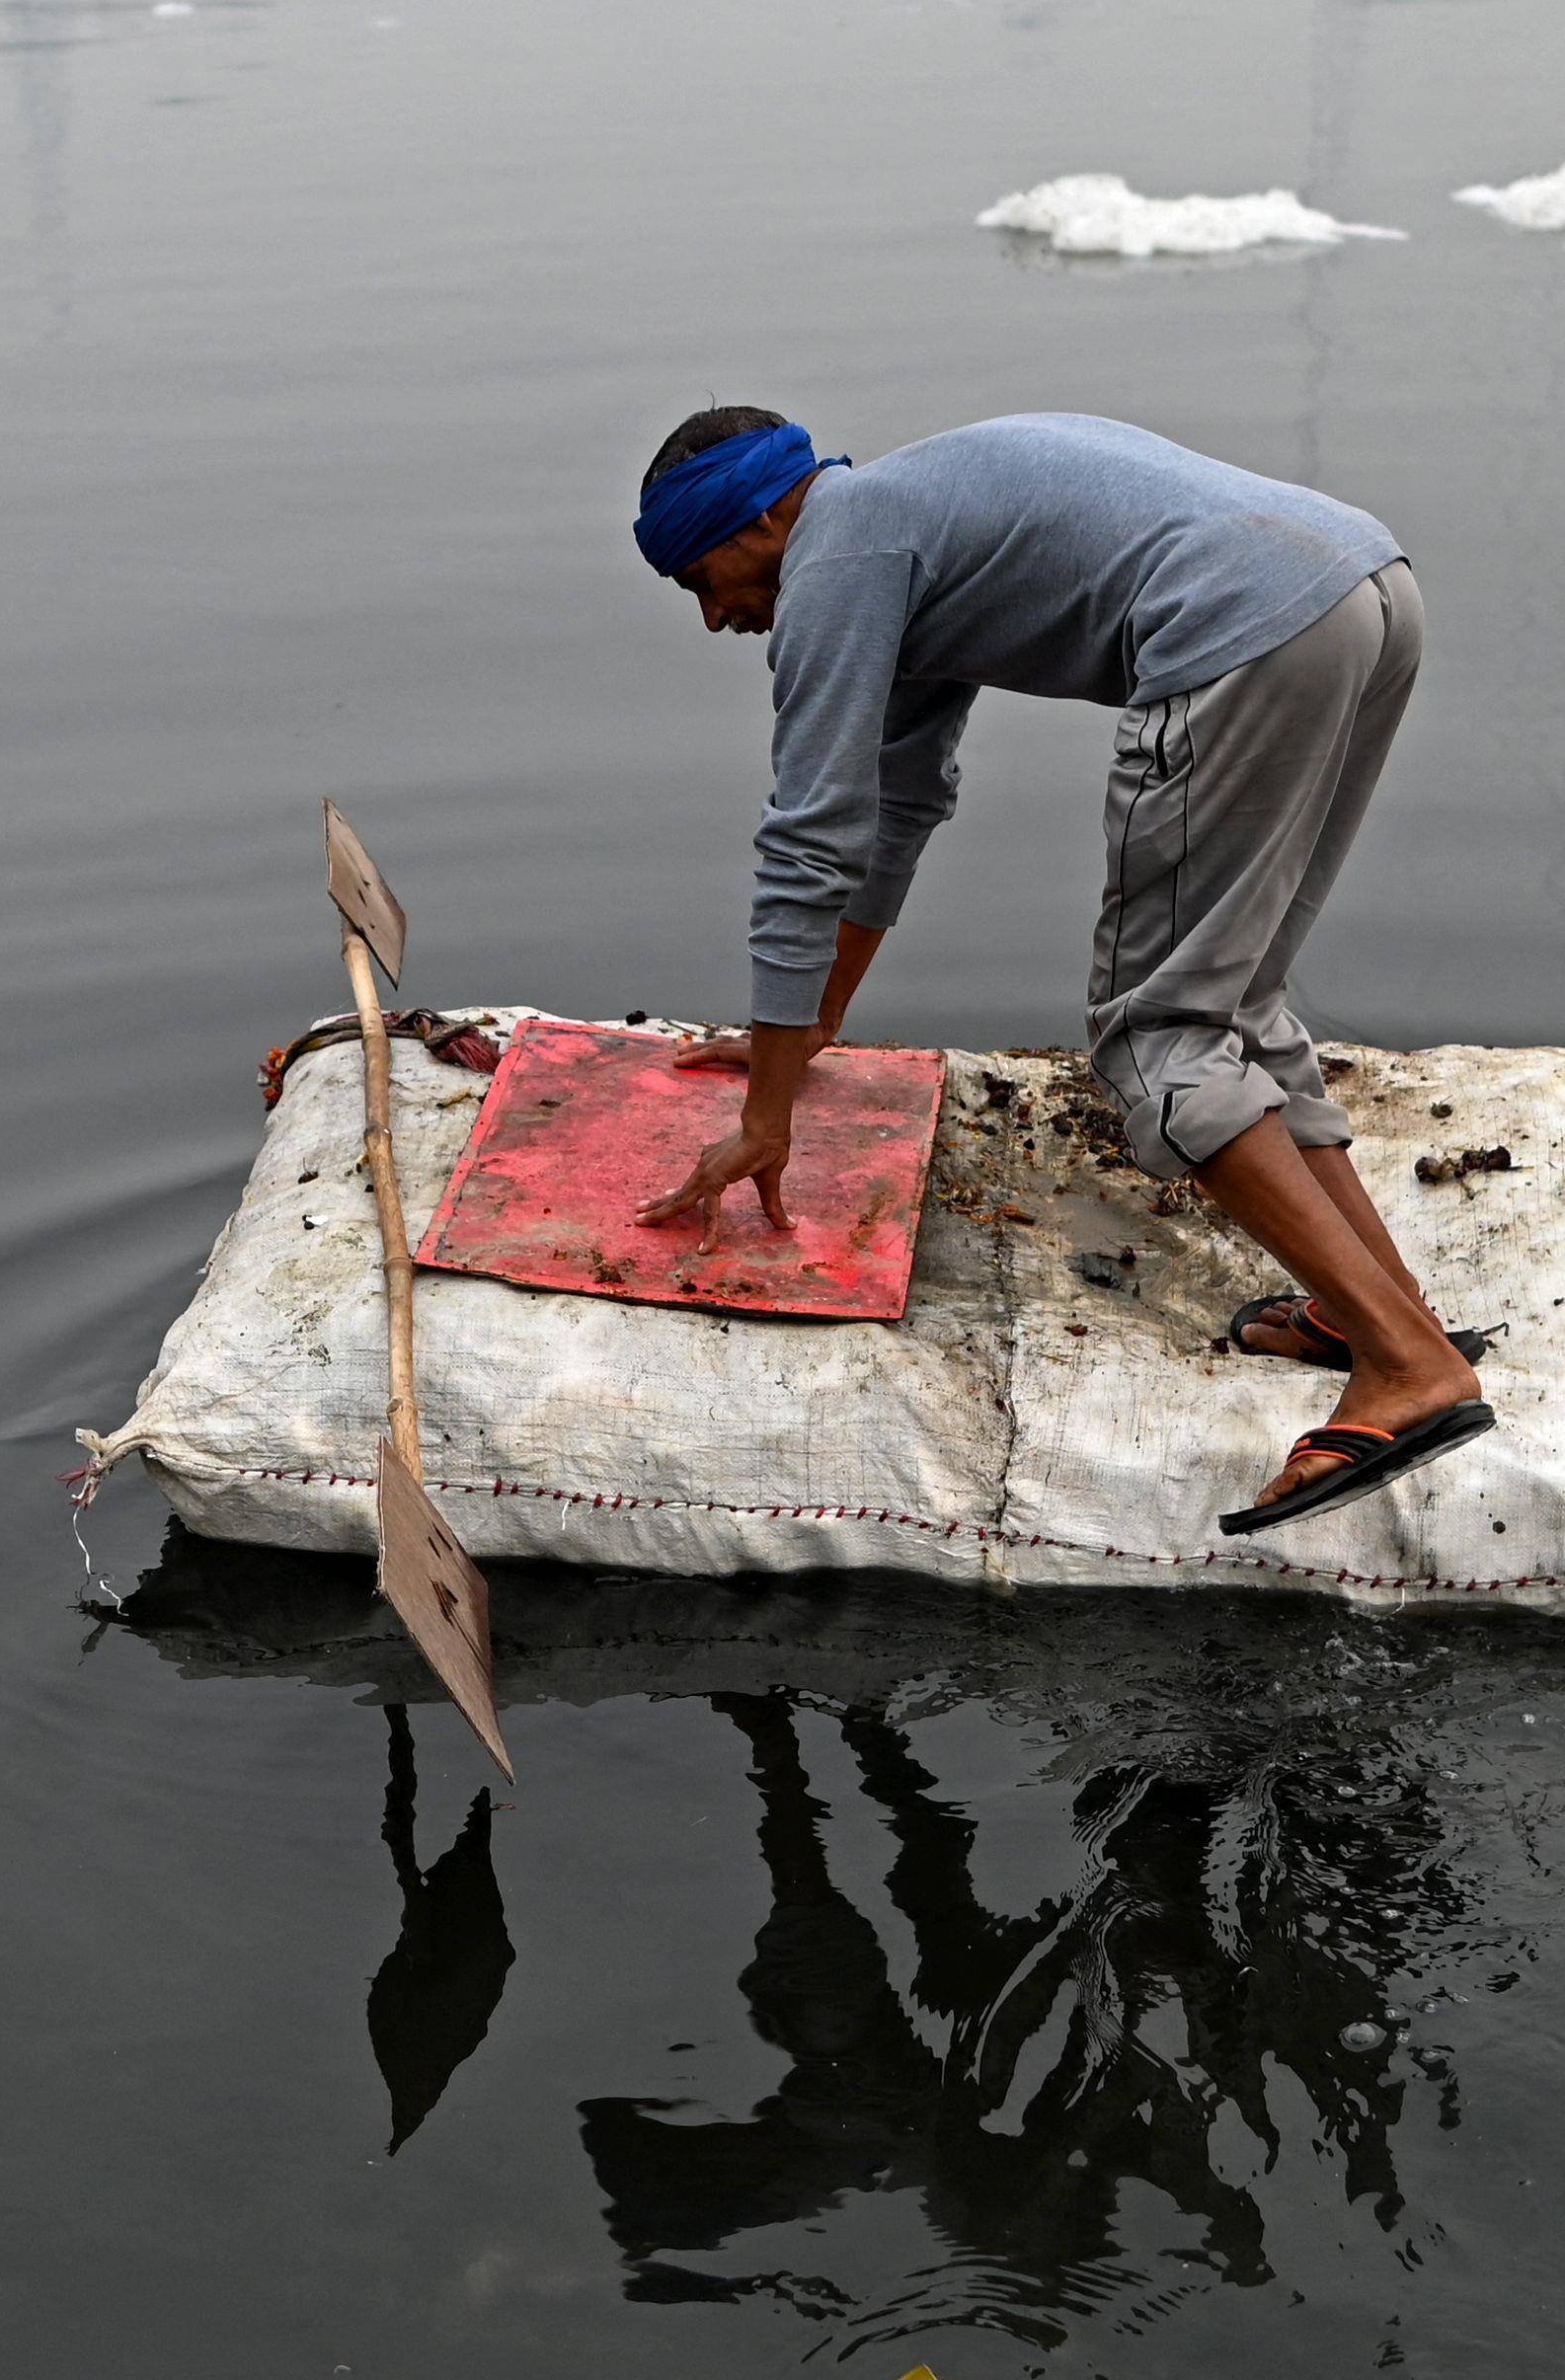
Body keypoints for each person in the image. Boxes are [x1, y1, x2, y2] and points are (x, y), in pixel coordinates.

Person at [627, 407, 1491, 1534]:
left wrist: (766, 1115)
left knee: (1160, 1039)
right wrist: (817, 1022)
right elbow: (890, 812)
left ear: (766, 515)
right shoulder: (902, 528)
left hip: (1239, 623)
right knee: (1236, 1000)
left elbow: (806, 840)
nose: (713, 617)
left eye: (704, 576)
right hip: (1360, 584)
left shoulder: (836, 555)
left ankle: (1405, 1367)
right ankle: (1379, 1308)